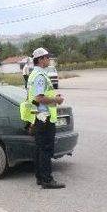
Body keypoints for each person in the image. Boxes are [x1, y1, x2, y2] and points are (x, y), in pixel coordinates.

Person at [26, 47, 66, 189]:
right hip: (44, 117)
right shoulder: (40, 76)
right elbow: (39, 97)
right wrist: (56, 99)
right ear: (41, 59)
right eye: (47, 57)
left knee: (39, 149)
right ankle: (47, 180)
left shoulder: (33, 74)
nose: (49, 59)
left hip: (38, 116)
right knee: (45, 149)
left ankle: (40, 177)